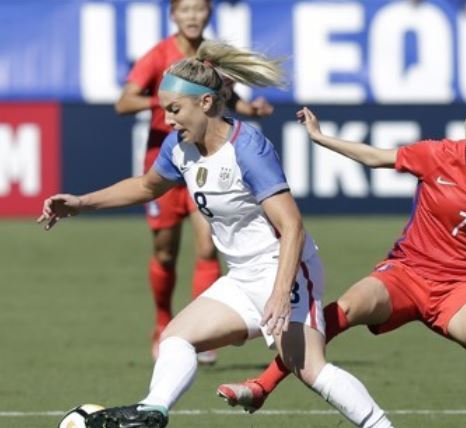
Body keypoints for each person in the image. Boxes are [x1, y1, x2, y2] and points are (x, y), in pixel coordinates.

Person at [216, 49, 466, 428]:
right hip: (404, 274)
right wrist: (321, 137)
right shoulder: (438, 155)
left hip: (456, 288)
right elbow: (375, 156)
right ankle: (262, 386)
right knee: (340, 311)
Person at [39, 41, 393, 428]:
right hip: (242, 278)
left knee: (310, 369)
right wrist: (80, 203)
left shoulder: (248, 148)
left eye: (174, 110)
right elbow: (146, 187)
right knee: (176, 337)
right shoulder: (180, 147)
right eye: (164, 110)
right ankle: (152, 412)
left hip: (287, 272)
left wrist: (278, 293)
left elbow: (292, 226)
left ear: (205, 104)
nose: (167, 120)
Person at [115, 0, 273, 362]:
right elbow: (123, 104)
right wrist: (168, 101)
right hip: (166, 164)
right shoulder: (158, 56)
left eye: (199, 9)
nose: (192, 16)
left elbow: (227, 99)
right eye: (184, 10)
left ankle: (202, 336)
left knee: (206, 248)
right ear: (173, 15)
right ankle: (161, 323)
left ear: (208, 14)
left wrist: (252, 109)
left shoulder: (210, 57)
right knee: (165, 253)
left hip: (205, 161)